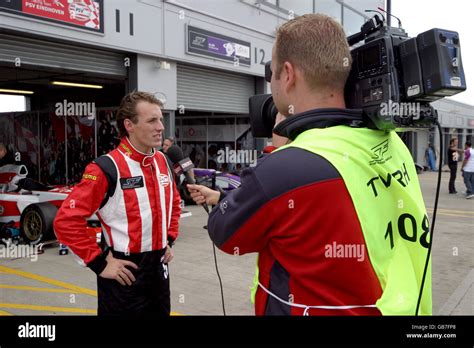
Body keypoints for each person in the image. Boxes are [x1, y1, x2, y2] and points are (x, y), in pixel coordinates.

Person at [188, 14, 431, 316]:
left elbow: (224, 232)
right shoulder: (390, 143)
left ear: (288, 75)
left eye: (273, 73)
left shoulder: (286, 167)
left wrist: (279, 153)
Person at [54, 91, 182, 316]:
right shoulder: (106, 167)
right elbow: (66, 221)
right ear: (129, 125)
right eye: (152, 120)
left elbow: (174, 202)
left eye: (161, 119)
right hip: (124, 274)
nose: (161, 126)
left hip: (159, 272)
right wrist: (99, 263)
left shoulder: (163, 160)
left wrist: (169, 238)